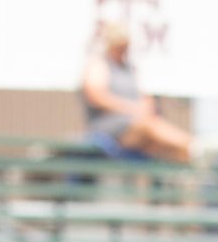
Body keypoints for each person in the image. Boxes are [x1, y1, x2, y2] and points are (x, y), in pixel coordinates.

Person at [80, 19, 208, 164]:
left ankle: (193, 159)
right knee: (149, 127)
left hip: (136, 125)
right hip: (110, 129)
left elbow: (144, 96)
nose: (124, 50)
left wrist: (147, 106)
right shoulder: (99, 65)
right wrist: (132, 108)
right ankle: (195, 146)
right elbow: (97, 96)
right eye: (121, 46)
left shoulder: (130, 68)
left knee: (161, 142)